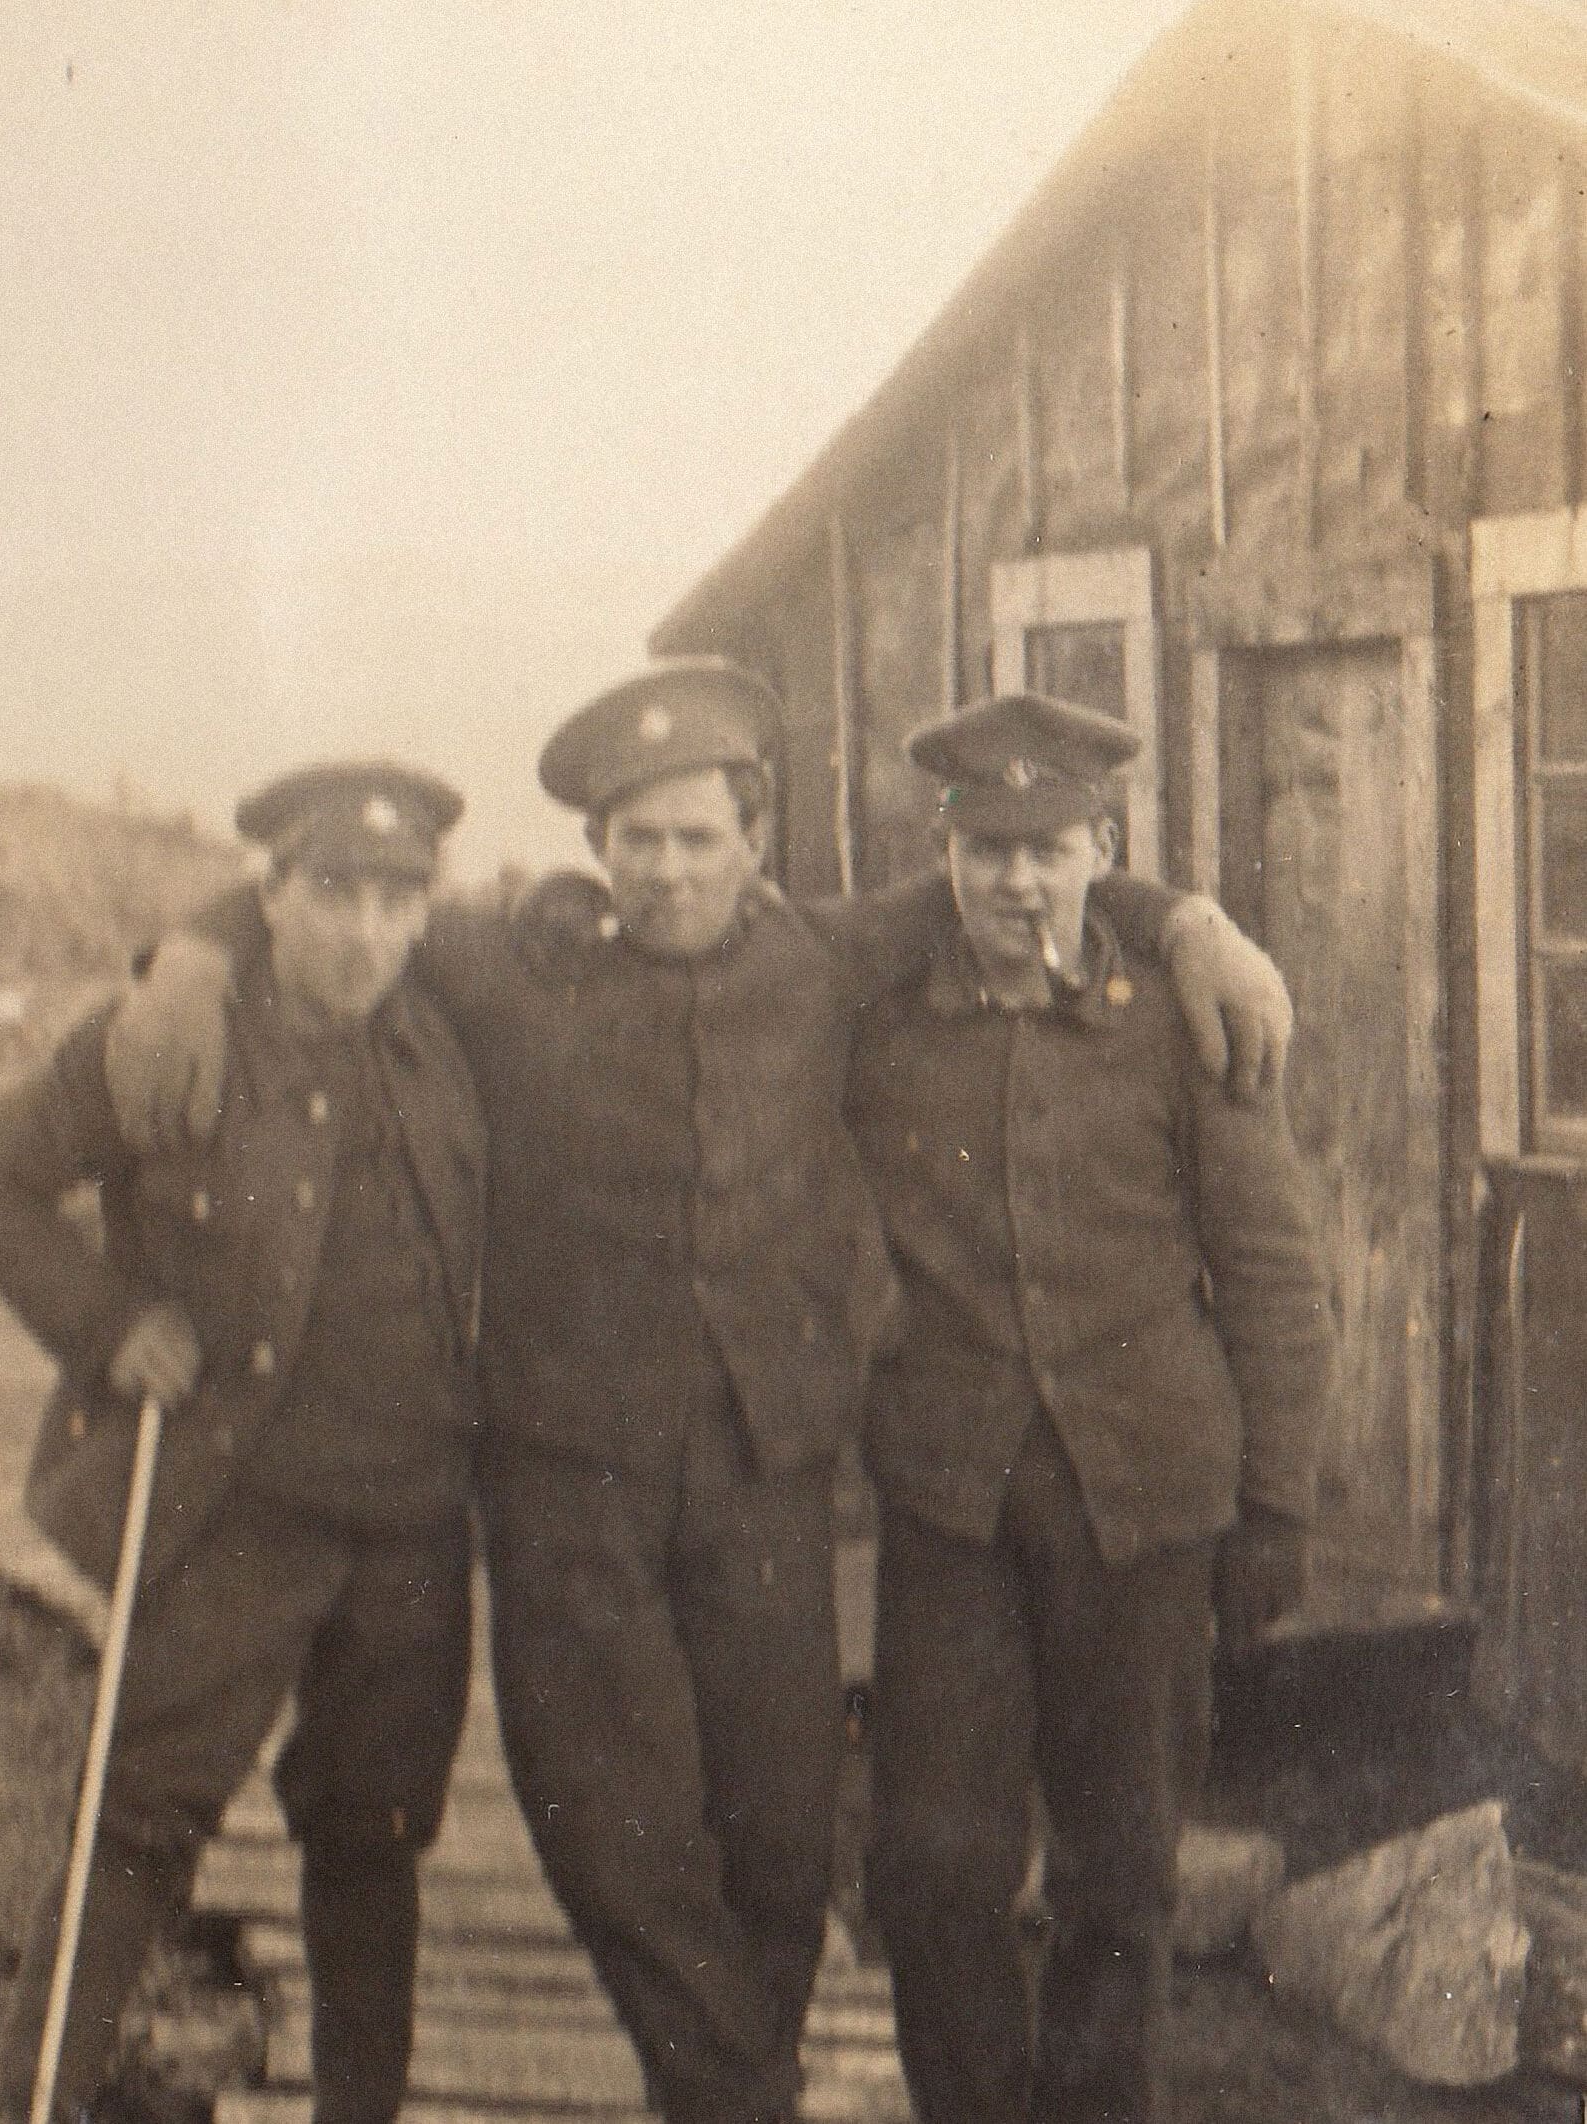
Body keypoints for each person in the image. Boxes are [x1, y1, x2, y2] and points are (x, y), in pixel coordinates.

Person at [103, 659, 1294, 2124]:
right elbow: (344, 889)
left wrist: (1195, 926)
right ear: (595, 849)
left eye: (698, 837)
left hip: (760, 1473)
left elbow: (1038, 881)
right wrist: (197, 954)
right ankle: (742, 2097)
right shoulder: (504, 968)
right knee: (608, 1829)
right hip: (565, 1480)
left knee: (782, 1839)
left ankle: (721, 2092)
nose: (667, 870)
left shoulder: (819, 960)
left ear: (755, 841)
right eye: (636, 838)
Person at [0, 762, 487, 2124]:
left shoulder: (449, 1024)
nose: (364, 933)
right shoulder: (170, 1032)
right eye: (331, 895)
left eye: (394, 898)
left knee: (374, 1840)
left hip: (412, 1530)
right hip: (232, 1516)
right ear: (272, 895)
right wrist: (106, 1320)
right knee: (138, 1825)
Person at [844, 692, 1334, 2124]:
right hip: (951, 1501)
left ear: (1097, 849)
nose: (1015, 881)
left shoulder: (1179, 1020)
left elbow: (1270, 1276)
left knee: (1121, 1871)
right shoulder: (881, 1021)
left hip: (1145, 1504)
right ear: (942, 859)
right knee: (931, 1865)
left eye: (1047, 848)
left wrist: (1277, 1508)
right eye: (984, 849)